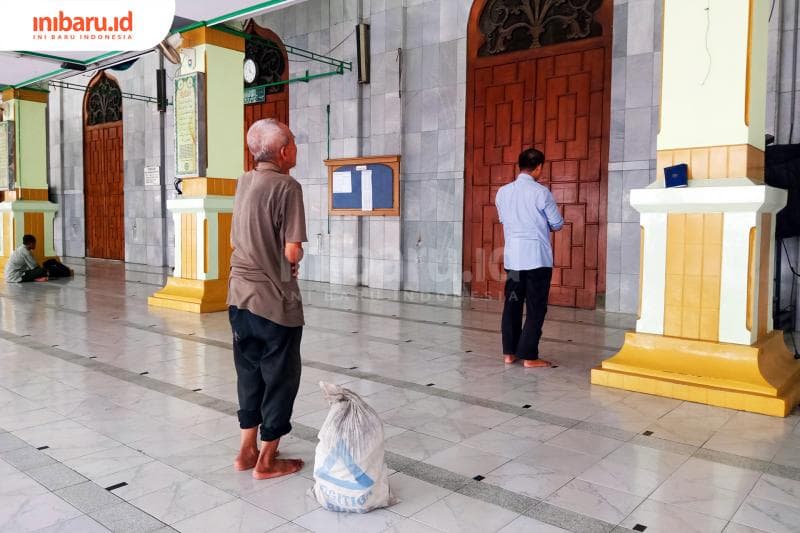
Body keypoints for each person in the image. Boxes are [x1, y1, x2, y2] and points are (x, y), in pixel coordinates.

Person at [227, 118, 307, 480]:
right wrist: (293, 259)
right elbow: (292, 251)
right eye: (293, 142)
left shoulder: (244, 181)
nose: (295, 148)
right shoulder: (288, 186)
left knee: (249, 373)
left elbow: (243, 238)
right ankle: (268, 460)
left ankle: (246, 451)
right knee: (280, 378)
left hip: (238, 298)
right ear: (284, 151)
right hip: (274, 302)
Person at [495, 148, 564, 369]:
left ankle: (509, 353)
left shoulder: (502, 192)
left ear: (520, 165)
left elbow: (505, 220)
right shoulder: (541, 193)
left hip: (513, 258)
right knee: (536, 307)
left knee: (512, 304)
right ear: (539, 167)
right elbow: (557, 224)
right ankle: (529, 356)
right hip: (536, 259)